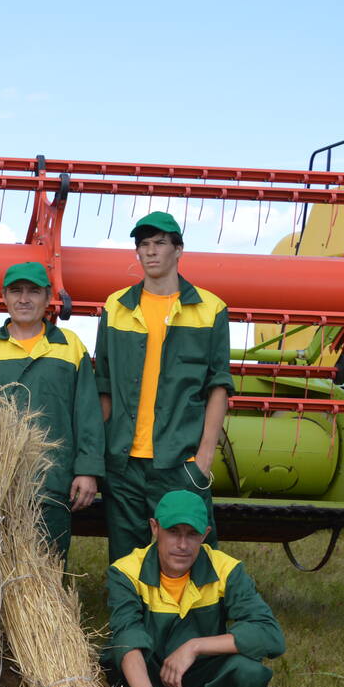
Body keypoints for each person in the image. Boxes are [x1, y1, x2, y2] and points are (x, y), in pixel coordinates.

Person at [103, 490, 284, 687]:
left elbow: (270, 634)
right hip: (147, 676)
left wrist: (195, 646)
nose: (183, 544)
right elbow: (126, 636)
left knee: (249, 671)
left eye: (192, 534)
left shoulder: (227, 569)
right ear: (155, 528)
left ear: (205, 534)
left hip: (199, 681)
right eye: (173, 531)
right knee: (113, 662)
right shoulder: (126, 571)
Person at [95, 211, 233, 563]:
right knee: (127, 560)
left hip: (180, 463)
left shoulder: (210, 309)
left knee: (188, 557)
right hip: (124, 464)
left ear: (178, 250)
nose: (151, 251)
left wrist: (203, 458)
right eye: (144, 245)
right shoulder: (116, 308)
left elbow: (218, 386)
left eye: (160, 243)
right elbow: (105, 385)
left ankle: (190, 619)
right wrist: (101, 456)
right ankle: (130, 619)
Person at [0, 261, 104, 560]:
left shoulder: (70, 347)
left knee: (47, 565)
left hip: (52, 481)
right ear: (4, 297)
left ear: (47, 298)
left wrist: (87, 470)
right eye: (16, 291)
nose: (24, 299)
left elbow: (87, 413)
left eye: (34, 291)